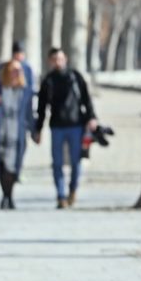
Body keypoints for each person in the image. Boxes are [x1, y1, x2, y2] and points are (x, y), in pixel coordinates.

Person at [33, 47, 97, 208]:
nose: (58, 62)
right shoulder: (48, 81)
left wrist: (92, 117)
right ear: (50, 61)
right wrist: (38, 130)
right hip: (56, 127)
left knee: (76, 162)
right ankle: (61, 195)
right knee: (57, 163)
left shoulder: (75, 76)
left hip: (76, 125)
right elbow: (41, 108)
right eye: (54, 60)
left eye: (60, 59)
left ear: (65, 59)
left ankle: (73, 189)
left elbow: (86, 99)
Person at [0, 60, 35, 209]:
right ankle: (5, 196)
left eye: (18, 70)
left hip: (16, 133)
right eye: (13, 70)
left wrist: (34, 131)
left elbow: (29, 113)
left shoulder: (25, 91)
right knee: (1, 165)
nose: (16, 73)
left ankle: (9, 196)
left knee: (12, 166)